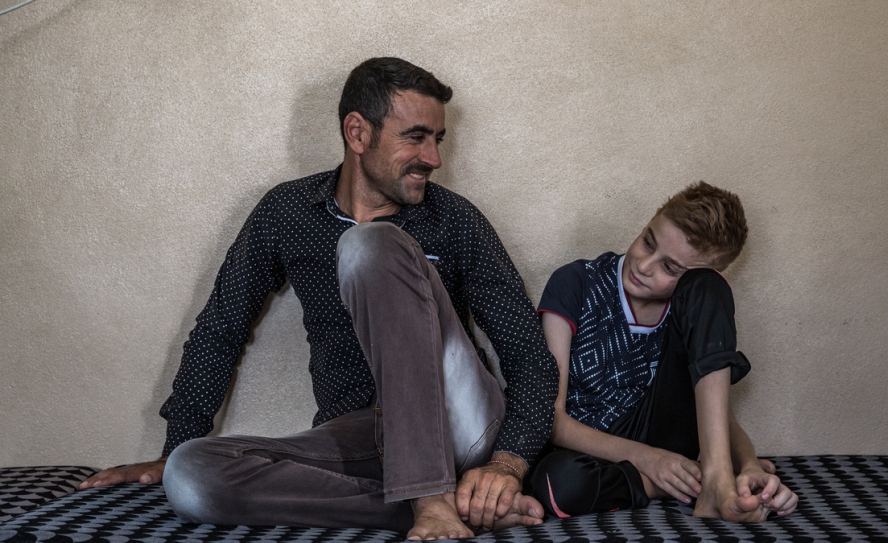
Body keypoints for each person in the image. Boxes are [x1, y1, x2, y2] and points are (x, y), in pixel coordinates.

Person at [80, 57, 559, 539]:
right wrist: (175, 443)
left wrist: (507, 464)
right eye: (416, 137)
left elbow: (530, 355)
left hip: (459, 420)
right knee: (191, 475)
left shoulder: (454, 219)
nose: (433, 157)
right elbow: (220, 328)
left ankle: (432, 497)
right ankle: (435, 507)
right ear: (357, 133)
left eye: (438, 140)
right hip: (361, 441)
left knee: (368, 244)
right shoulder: (287, 212)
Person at [529, 182, 798, 522]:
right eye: (648, 242)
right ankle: (687, 483)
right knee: (559, 484)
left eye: (670, 269)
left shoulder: (692, 302)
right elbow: (551, 420)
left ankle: (717, 478)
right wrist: (649, 460)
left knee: (710, 291)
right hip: (586, 449)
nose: (644, 265)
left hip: (667, 435)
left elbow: (717, 412)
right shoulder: (575, 283)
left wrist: (747, 466)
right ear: (653, 216)